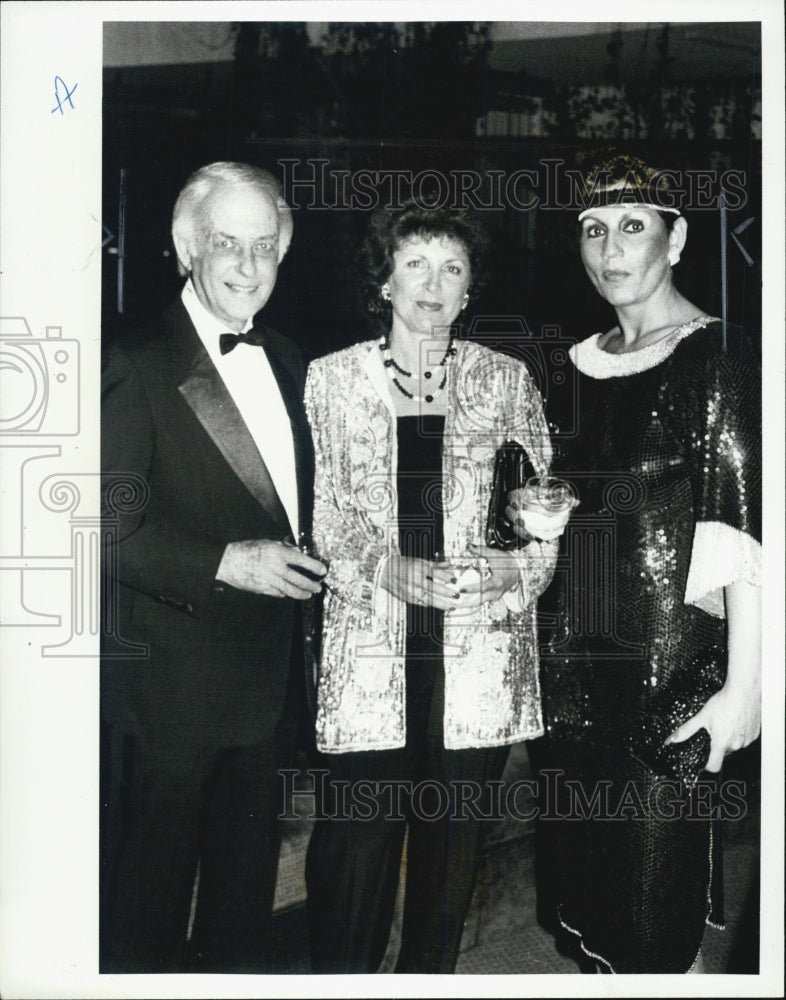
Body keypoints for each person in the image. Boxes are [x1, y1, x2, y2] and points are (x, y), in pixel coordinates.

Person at [507, 151, 761, 973]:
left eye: (632, 226)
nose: (611, 248)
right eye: (592, 229)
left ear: (676, 237)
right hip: (571, 680)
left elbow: (744, 542)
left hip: (665, 686)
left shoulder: (715, 361)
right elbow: (545, 504)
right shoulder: (572, 367)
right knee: (596, 914)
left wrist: (744, 692)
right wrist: (525, 514)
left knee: (656, 920)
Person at [302, 200, 558, 973]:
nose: (433, 283)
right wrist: (388, 568)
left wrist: (498, 572)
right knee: (352, 866)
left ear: (471, 288)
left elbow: (541, 519)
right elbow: (323, 516)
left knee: (449, 876)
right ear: (383, 280)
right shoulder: (331, 380)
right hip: (373, 656)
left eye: (452, 268)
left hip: (476, 659)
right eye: (415, 263)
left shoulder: (507, 381)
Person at [100, 162, 326, 973]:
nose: (247, 263)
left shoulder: (292, 357)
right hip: (167, 696)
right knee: (144, 915)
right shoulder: (136, 360)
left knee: (242, 911)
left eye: (264, 244)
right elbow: (95, 526)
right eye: (226, 242)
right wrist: (224, 561)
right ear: (184, 245)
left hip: (265, 692)